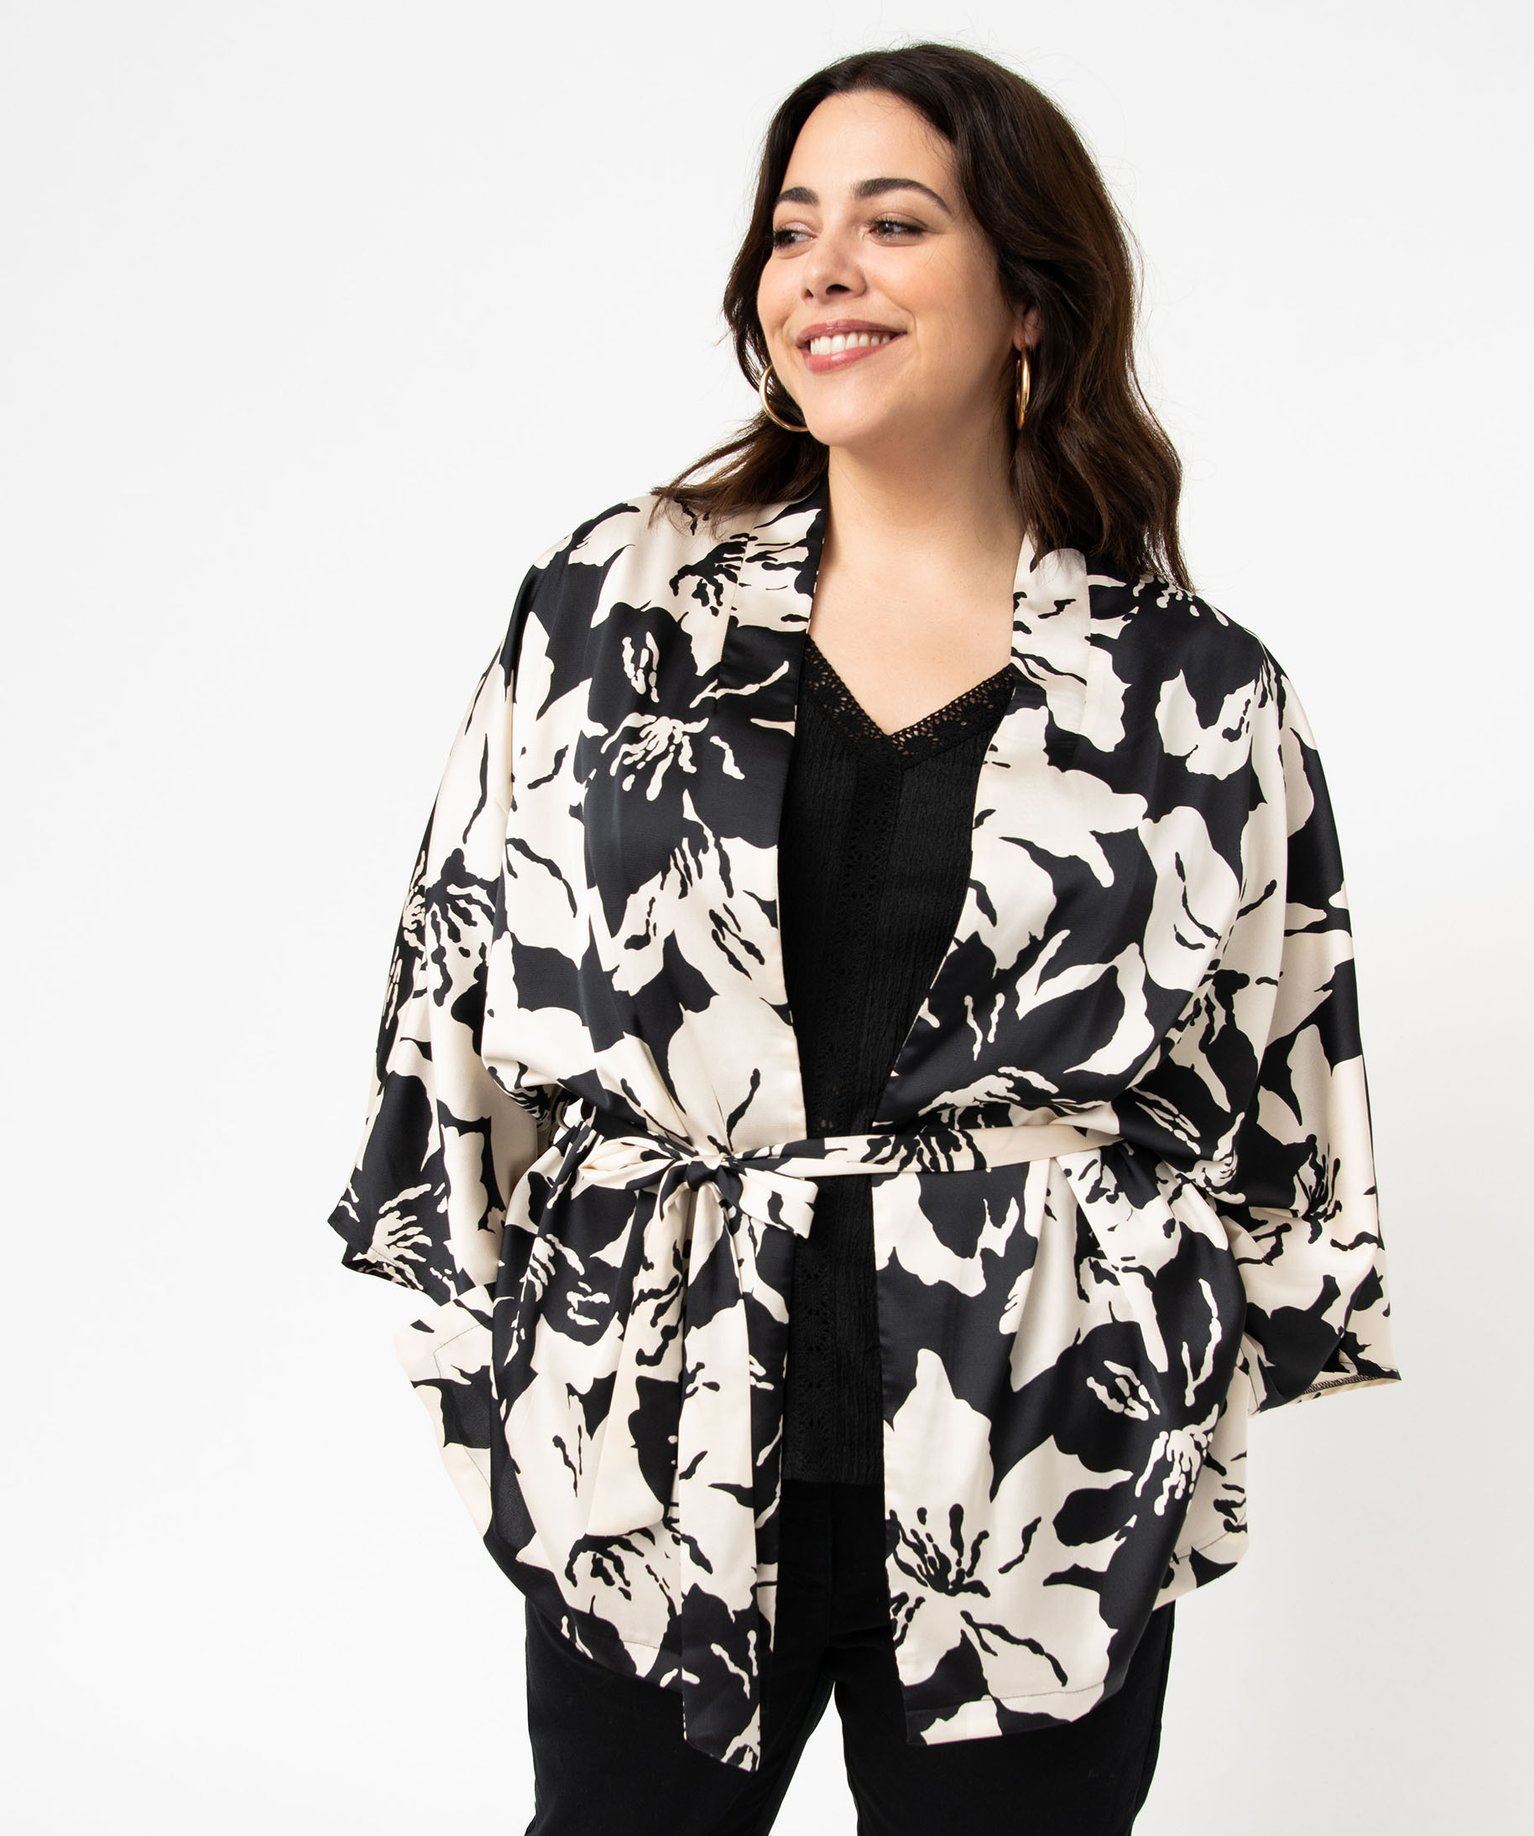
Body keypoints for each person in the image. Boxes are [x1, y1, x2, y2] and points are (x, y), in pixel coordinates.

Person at [324, 42, 1399, 1836]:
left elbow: (1278, 1068)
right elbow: (456, 979)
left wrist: (1183, 1363)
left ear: (1028, 298)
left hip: (1039, 1432)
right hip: (653, 1409)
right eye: (789, 229)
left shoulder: (1194, 693)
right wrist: (499, 1344)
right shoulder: (613, 611)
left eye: (893, 224)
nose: (821, 268)